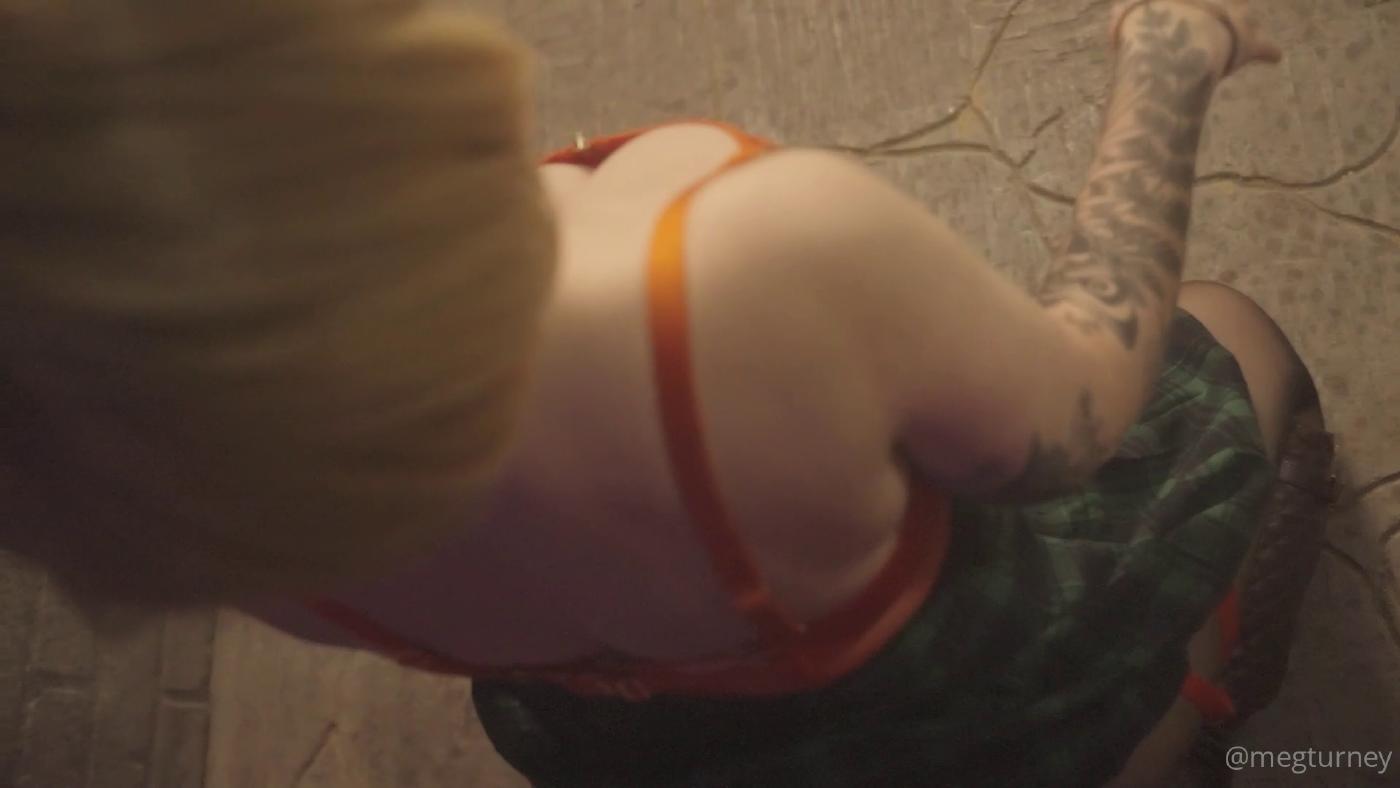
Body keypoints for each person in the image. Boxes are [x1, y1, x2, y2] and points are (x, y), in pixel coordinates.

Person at [0, 0, 1338, 785]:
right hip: (975, 672)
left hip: (658, 735)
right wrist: (1169, 63)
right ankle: (1183, 714)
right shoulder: (758, 264)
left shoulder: (156, 484)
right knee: (1229, 333)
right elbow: (1076, 423)